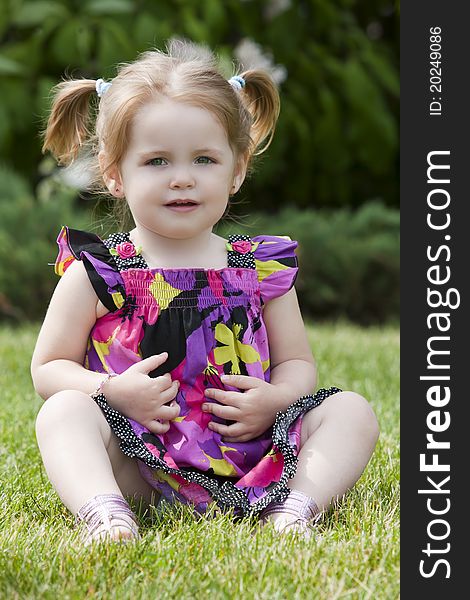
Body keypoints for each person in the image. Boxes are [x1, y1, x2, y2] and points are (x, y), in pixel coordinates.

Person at [31, 39, 379, 545]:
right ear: (114, 175)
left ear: (236, 169)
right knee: (62, 412)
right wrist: (110, 392)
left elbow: (298, 364)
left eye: (203, 159)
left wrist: (276, 400)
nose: (182, 179)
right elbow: (48, 368)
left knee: (351, 410)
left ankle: (295, 507)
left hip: (256, 456)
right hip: (142, 463)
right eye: (156, 162)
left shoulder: (261, 268)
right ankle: (106, 514)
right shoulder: (100, 271)